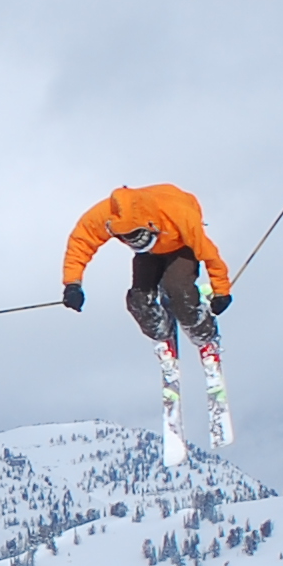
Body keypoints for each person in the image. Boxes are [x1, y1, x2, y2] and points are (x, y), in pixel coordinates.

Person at [61, 182, 234, 457]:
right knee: (137, 300)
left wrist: (222, 291)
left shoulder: (178, 213)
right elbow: (80, 242)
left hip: (180, 245)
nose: (137, 243)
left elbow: (208, 254)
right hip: (151, 256)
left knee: (179, 291)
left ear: (149, 225)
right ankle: (162, 332)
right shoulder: (107, 216)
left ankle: (204, 334)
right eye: (130, 240)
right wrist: (73, 284)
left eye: (140, 237)